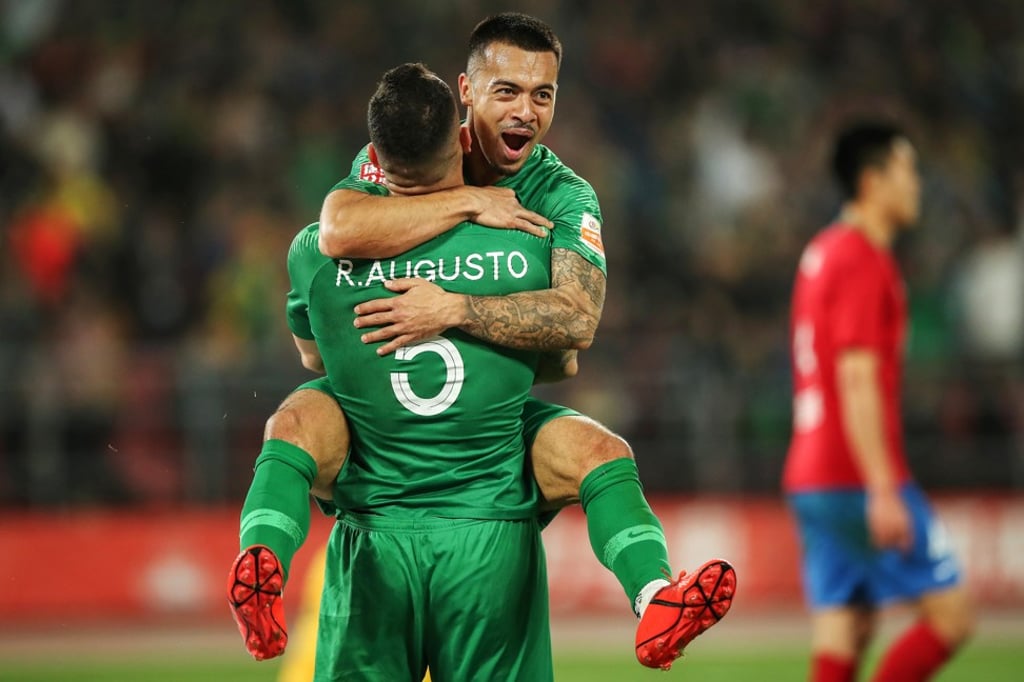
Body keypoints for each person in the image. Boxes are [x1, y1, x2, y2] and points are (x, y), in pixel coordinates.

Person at [232, 12, 735, 675]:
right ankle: (262, 564)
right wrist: (468, 205)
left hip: (486, 419)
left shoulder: (562, 194)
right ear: (466, 93)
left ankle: (655, 599)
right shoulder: (421, 139)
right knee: (306, 414)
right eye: (508, 92)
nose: (526, 111)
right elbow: (338, 226)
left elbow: (576, 324)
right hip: (422, 449)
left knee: (596, 450)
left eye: (543, 94)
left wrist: (456, 309)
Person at [235, 62, 559, 680]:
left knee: (301, 413)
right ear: (461, 139)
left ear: (375, 157)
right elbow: (559, 357)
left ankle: (261, 548)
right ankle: (649, 584)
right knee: (594, 449)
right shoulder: (520, 245)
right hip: (485, 525)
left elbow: (314, 356)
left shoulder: (315, 252)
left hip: (376, 521)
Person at [783, 121, 974, 682]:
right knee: (952, 618)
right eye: (907, 170)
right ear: (872, 181)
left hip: (811, 473)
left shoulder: (821, 252)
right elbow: (857, 377)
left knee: (846, 625)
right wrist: (884, 488)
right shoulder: (863, 258)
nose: (916, 184)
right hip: (854, 473)